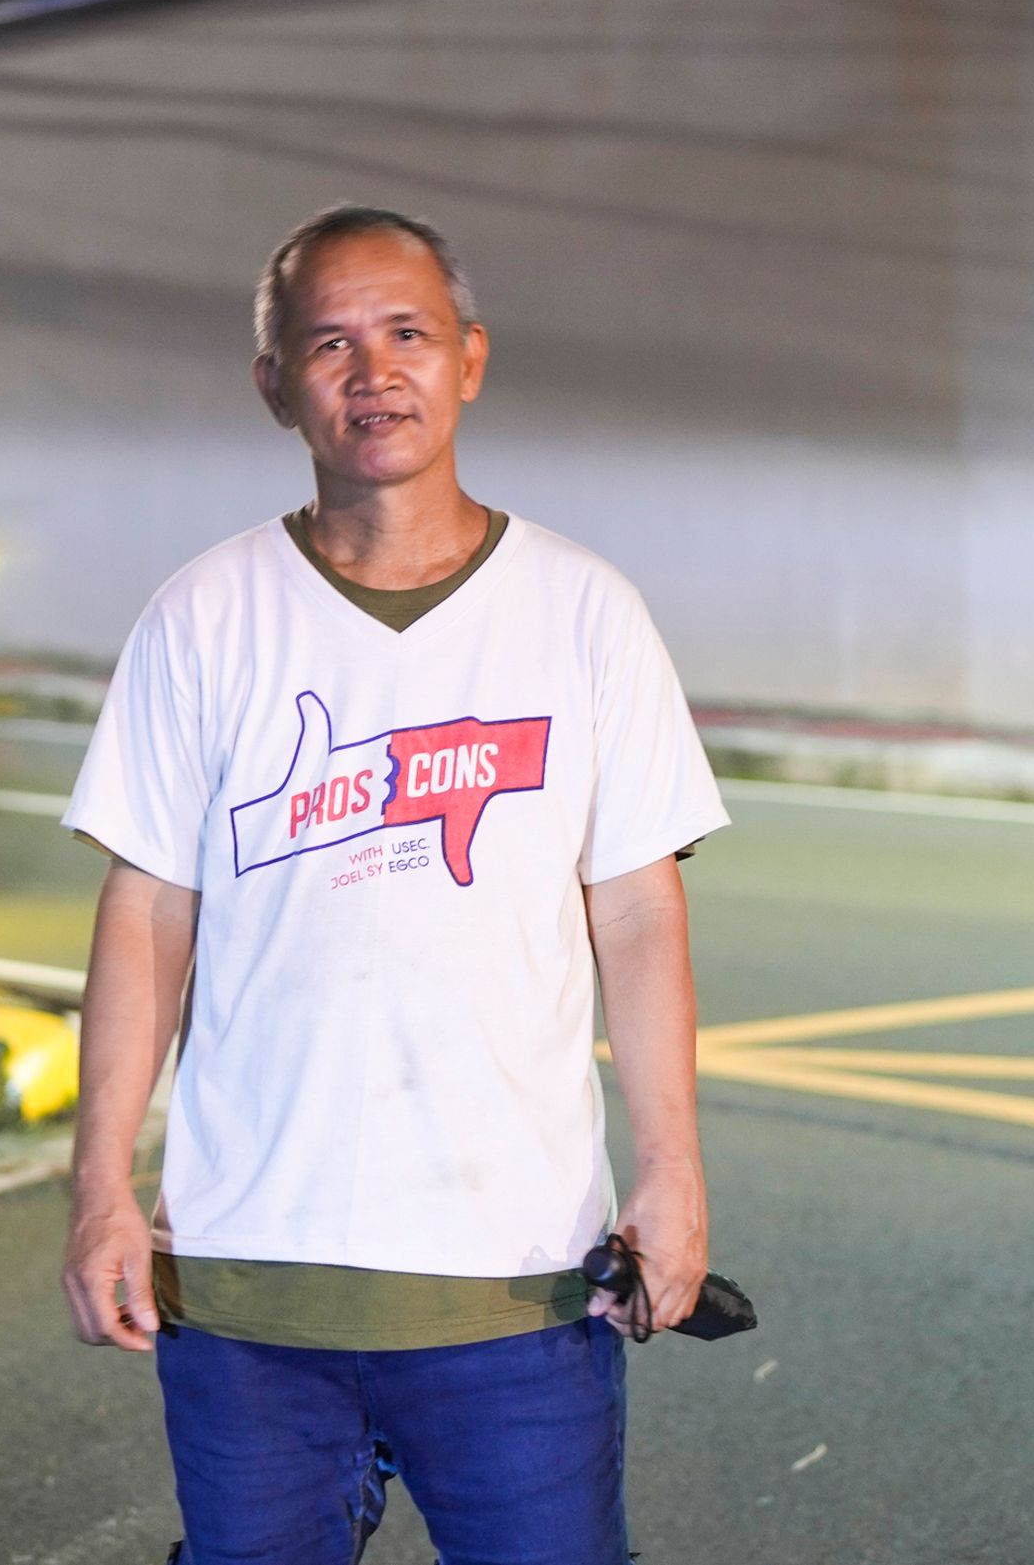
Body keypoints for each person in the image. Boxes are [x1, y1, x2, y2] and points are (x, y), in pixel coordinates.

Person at [58, 203, 730, 1565]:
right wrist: (99, 1187)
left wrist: (672, 1169)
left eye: (407, 331)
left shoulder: (584, 609)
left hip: (516, 1285)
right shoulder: (205, 613)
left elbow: (641, 911)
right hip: (252, 1285)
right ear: (275, 388)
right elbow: (146, 915)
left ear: (469, 359)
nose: (374, 371)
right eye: (329, 343)